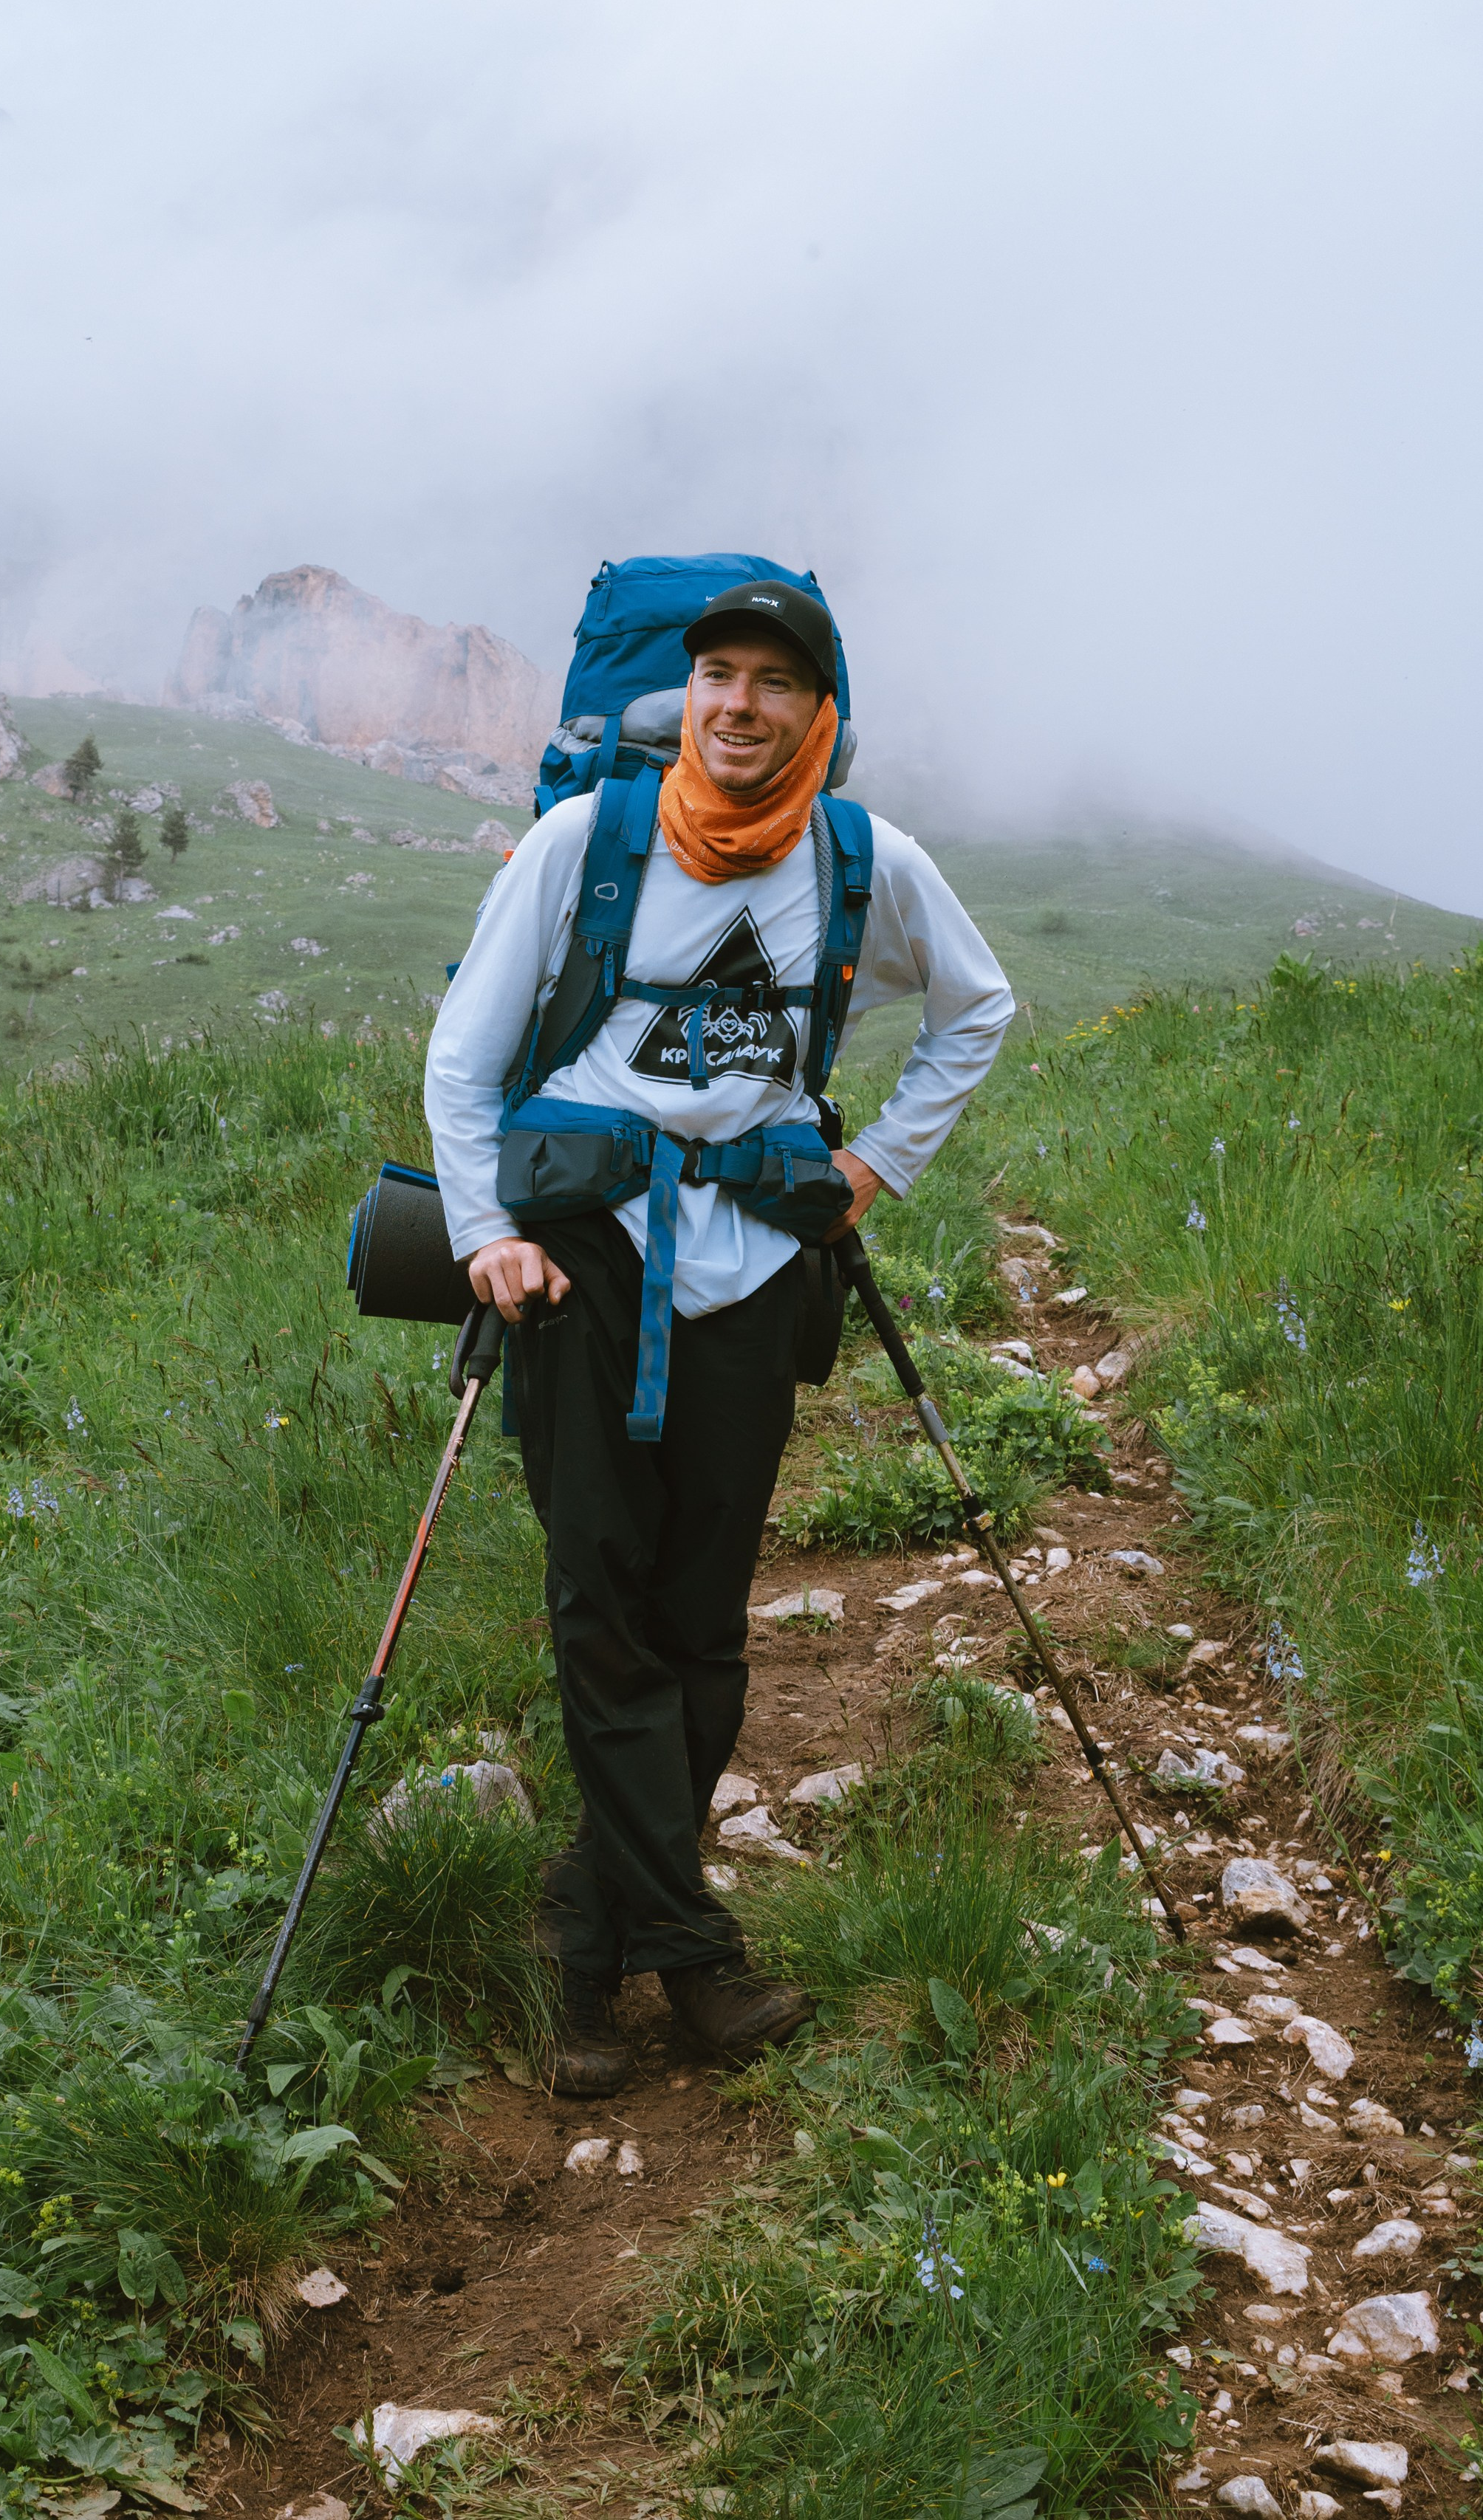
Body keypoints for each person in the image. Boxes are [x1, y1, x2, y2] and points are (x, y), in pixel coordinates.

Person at [424, 577, 1014, 2092]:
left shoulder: (861, 861)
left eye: (771, 683)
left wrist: (875, 1163)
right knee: (598, 1600)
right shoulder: (587, 845)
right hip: (584, 1260)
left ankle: (587, 1946)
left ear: (819, 716)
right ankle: (680, 1959)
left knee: (700, 1616)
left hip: (755, 1263)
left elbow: (977, 1007)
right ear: (682, 697)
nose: (737, 705)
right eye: (715, 677)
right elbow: (466, 1055)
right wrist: (487, 1234)